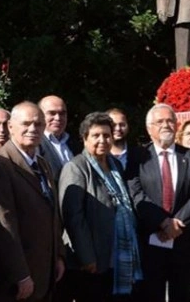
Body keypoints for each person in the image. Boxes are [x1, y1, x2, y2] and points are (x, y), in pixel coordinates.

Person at [0, 102, 65, 302]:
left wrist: (58, 255)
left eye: (38, 124)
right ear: (11, 127)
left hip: (45, 270)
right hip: (18, 279)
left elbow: (52, 212)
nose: (33, 129)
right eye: (26, 123)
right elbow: (3, 223)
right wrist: (20, 274)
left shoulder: (42, 164)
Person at [127, 104, 190, 302]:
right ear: (149, 129)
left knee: (184, 295)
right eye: (160, 122)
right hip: (151, 240)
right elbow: (136, 193)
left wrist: (176, 223)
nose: (166, 125)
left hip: (184, 241)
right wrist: (162, 222)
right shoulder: (137, 157)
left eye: (170, 121)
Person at [59, 112, 142, 301]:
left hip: (115, 255)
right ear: (84, 138)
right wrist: (87, 257)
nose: (102, 140)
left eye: (107, 135)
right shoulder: (76, 167)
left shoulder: (115, 166)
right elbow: (73, 217)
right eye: (96, 135)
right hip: (91, 260)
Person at [39, 95, 74, 184]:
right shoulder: (36, 145)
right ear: (40, 115)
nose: (58, 118)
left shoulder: (74, 143)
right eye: (52, 113)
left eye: (62, 113)